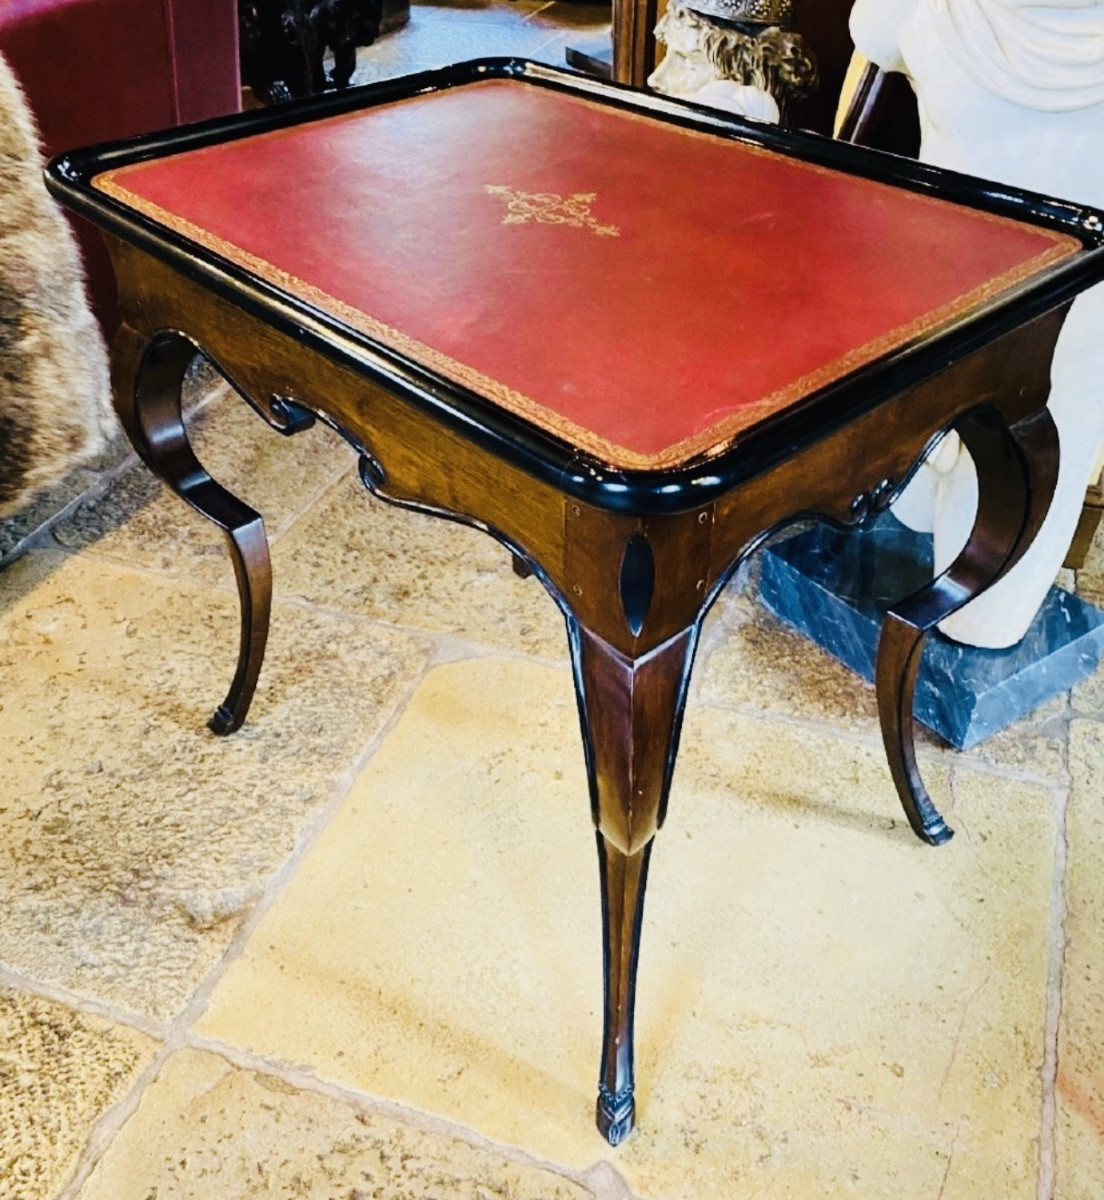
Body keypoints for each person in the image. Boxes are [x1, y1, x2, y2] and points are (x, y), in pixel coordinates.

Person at [849, 0, 1104, 646]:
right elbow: (871, 30)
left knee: (989, 589)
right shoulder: (929, 9)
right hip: (944, 307)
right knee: (918, 481)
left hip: (1057, 332)